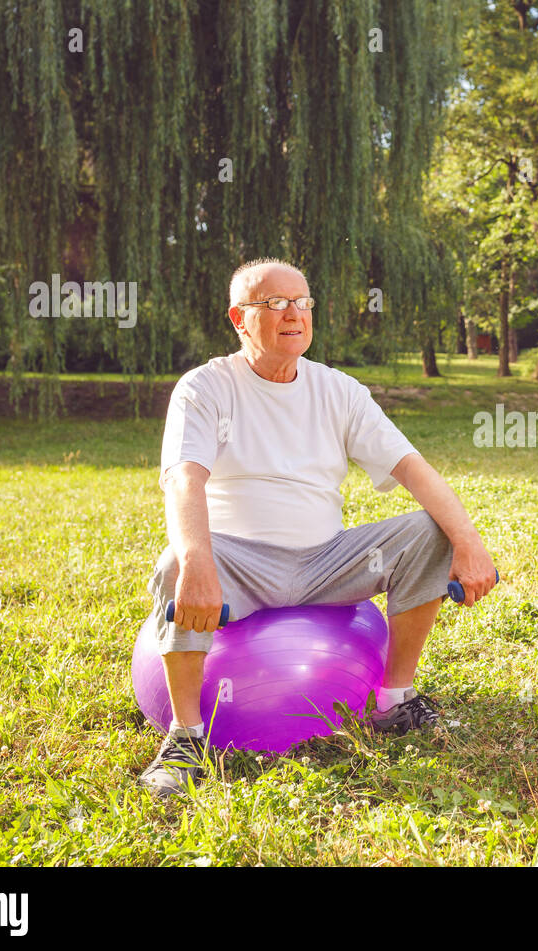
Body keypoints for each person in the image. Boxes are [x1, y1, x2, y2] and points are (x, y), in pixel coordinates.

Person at [137, 258, 497, 798]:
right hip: (240, 562)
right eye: (275, 304)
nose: (293, 314)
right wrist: (197, 562)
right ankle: (185, 740)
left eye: (303, 303)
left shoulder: (339, 390)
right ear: (239, 318)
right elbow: (184, 481)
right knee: (175, 562)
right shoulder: (205, 387)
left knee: (432, 532)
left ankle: (394, 702)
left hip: (326, 561)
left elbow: (413, 469)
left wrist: (469, 544)